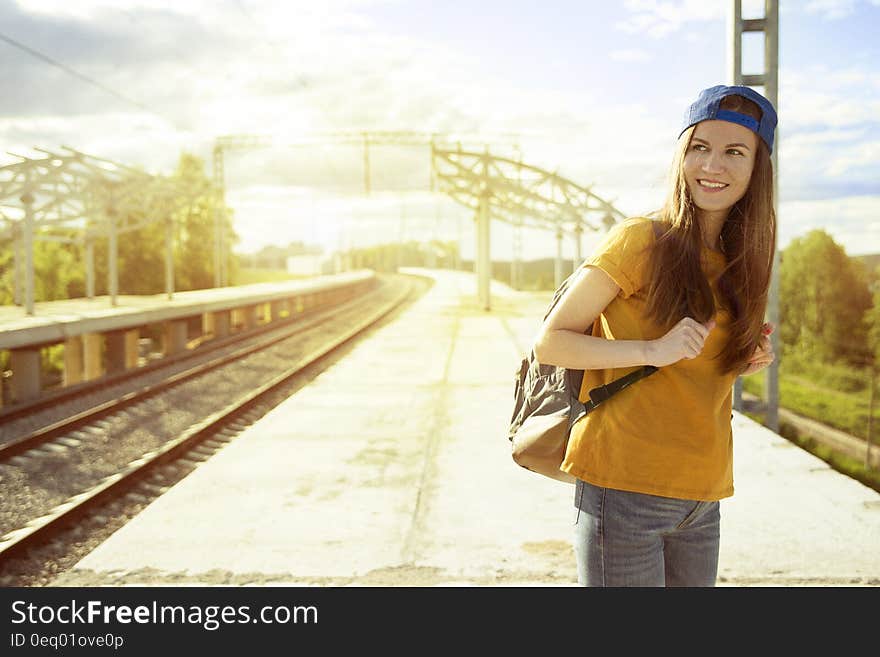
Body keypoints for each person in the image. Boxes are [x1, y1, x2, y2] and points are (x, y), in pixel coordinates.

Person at [532, 84, 778, 587]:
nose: (714, 165)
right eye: (700, 148)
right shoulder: (641, 239)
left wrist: (744, 353)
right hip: (623, 487)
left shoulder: (740, 263)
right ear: (682, 156)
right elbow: (551, 340)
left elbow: (699, 368)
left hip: (702, 495)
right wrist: (653, 350)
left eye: (735, 152)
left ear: (757, 169)